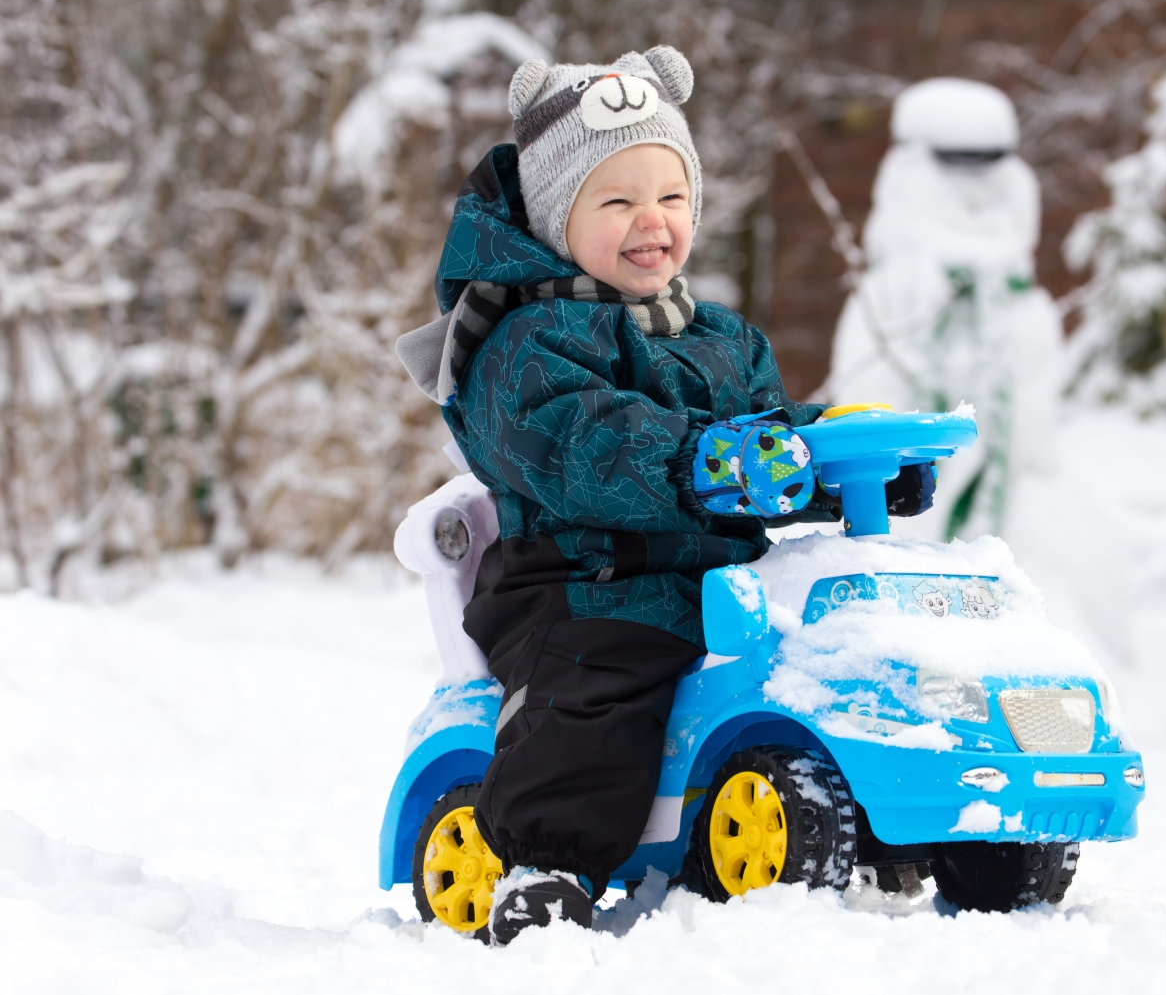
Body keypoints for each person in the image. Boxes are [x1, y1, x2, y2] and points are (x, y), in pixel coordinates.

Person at [397, 46, 928, 944]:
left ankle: (909, 814)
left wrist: (845, 458)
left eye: (672, 197)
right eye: (617, 201)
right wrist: (706, 462)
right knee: (599, 682)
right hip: (581, 582)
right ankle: (548, 859)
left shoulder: (722, 336)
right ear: (556, 216)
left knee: (845, 642)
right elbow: (584, 445)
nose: (654, 221)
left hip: (720, 584)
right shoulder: (523, 345)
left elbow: (769, 441)